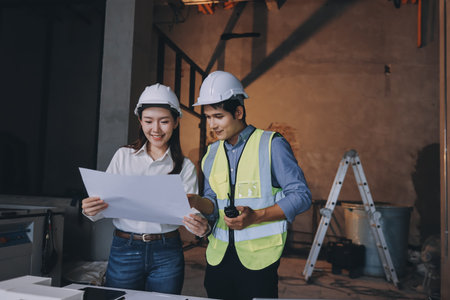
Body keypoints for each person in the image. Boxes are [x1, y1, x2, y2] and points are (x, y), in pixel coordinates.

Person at [188, 71, 312, 300]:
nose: (212, 125)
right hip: (218, 259)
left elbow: (301, 196)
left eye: (218, 116)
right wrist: (195, 202)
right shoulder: (211, 154)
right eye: (207, 117)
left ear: (238, 112)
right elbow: (213, 204)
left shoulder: (271, 144)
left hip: (259, 262)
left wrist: (257, 215)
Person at [81, 83, 209, 294]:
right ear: (140, 121)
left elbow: (190, 211)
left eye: (164, 121)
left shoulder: (185, 166)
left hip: (167, 252)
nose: (156, 129)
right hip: (125, 249)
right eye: (148, 121)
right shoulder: (123, 156)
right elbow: (102, 203)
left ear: (176, 122)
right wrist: (90, 209)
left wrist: (198, 224)